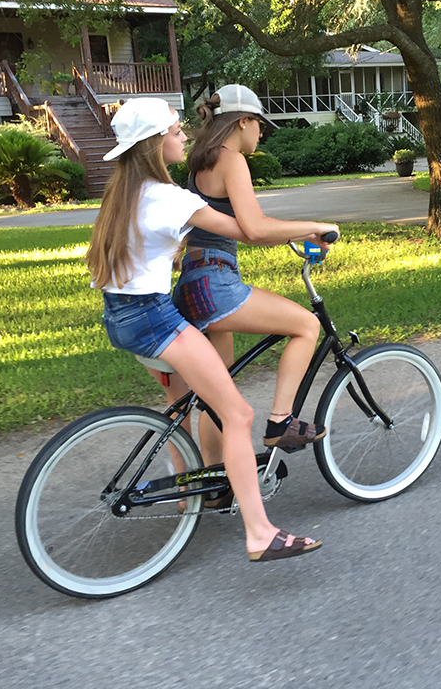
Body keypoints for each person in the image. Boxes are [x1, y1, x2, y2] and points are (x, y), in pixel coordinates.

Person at [86, 96, 321, 563]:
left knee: (183, 405)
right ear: (154, 143)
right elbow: (247, 230)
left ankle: (191, 492)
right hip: (153, 318)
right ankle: (259, 533)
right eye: (175, 130)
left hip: (119, 318)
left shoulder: (125, 193)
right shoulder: (168, 197)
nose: (183, 135)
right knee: (236, 414)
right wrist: (313, 227)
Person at [150, 84, 339, 480]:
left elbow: (237, 226)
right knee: (306, 325)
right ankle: (281, 421)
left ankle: (218, 482)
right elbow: (253, 228)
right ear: (243, 122)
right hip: (215, 283)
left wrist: (293, 233)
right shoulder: (231, 158)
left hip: (190, 284)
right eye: (260, 126)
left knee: (219, 399)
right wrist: (316, 226)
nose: (261, 134)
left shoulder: (199, 161)